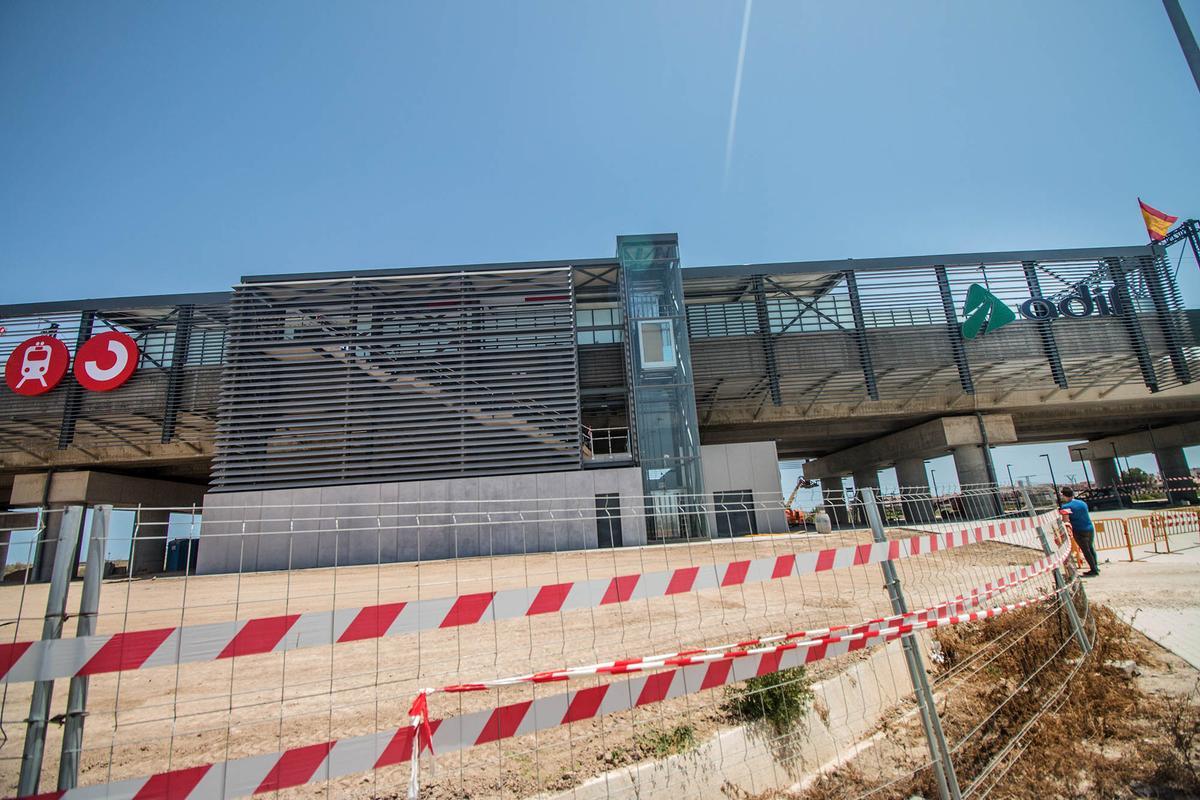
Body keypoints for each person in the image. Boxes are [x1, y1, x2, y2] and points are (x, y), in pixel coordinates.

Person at [1060, 487, 1100, 577]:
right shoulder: (1082, 503)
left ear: (1064, 495)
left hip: (1078, 530)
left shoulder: (1065, 507)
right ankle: (1096, 567)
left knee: (1086, 550)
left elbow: (1065, 520)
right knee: (1090, 548)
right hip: (1089, 527)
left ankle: (1093, 570)